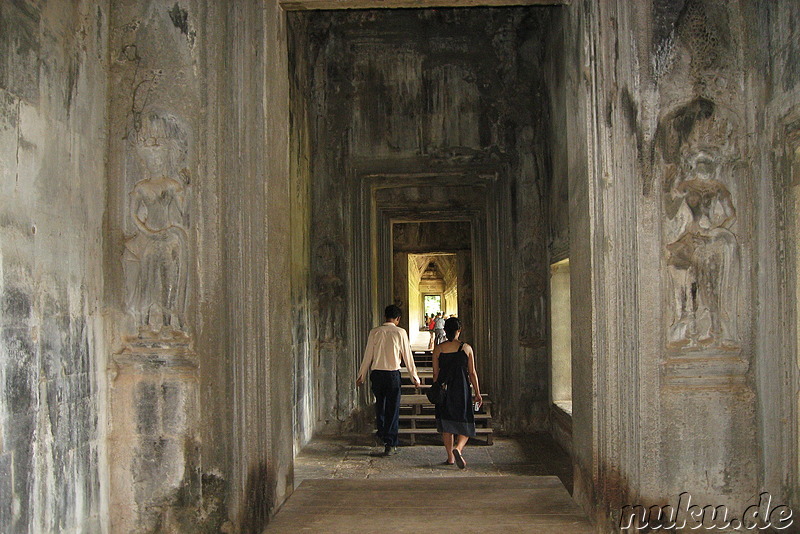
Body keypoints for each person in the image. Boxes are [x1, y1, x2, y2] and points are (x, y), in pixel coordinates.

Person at [357, 304, 421, 456]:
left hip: (377, 374)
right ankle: (390, 443)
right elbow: (407, 356)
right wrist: (414, 377)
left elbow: (368, 355)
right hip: (392, 375)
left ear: (385, 316)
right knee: (393, 409)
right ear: (397, 319)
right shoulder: (400, 332)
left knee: (380, 404)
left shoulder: (375, 332)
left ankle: (381, 434)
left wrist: (362, 375)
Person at [433, 316, 482, 469]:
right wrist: (478, 393)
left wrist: (436, 388)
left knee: (447, 424)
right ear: (459, 330)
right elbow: (472, 372)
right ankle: (458, 449)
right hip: (462, 389)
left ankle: (450, 458)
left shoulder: (439, 349)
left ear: (445, 331)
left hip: (445, 390)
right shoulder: (466, 348)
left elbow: (436, 374)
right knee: (465, 421)